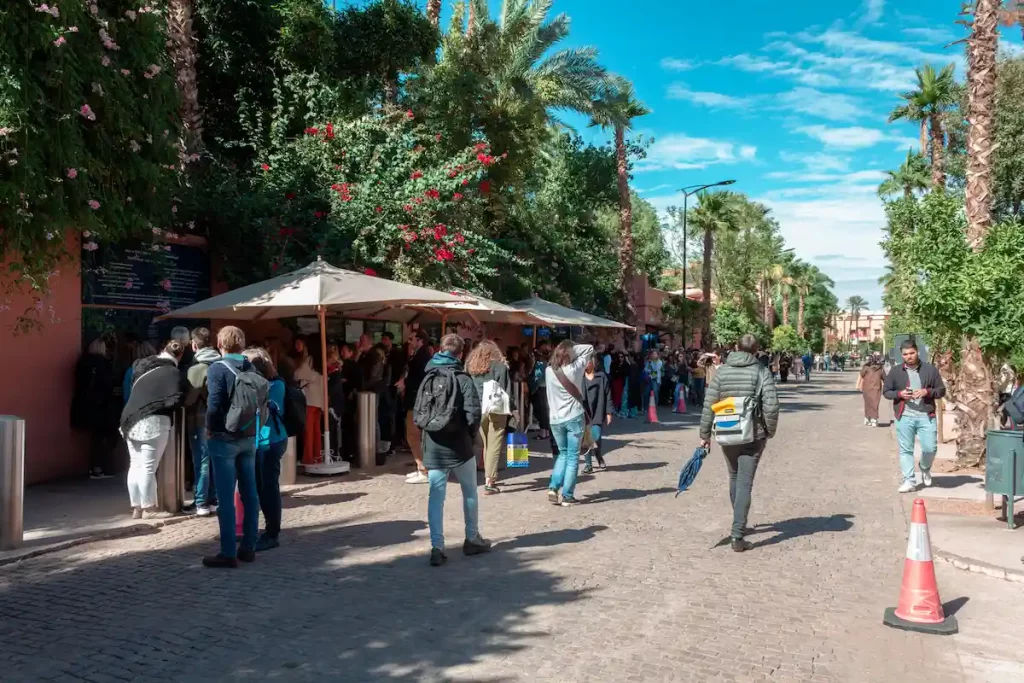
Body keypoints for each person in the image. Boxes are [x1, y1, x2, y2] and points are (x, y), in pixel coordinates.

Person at [699, 334, 780, 553]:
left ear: (737, 348)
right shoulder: (761, 371)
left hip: (727, 431)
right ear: (756, 350)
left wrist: (704, 434)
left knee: (734, 476)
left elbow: (709, 403)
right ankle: (738, 533)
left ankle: (739, 520)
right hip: (753, 434)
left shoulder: (722, 371)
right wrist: (769, 431)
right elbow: (771, 406)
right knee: (744, 482)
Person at [418, 334, 490, 566]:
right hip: (460, 446)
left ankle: (437, 546)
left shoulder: (428, 375)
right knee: (469, 491)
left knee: (435, 497)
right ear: (460, 354)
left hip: (434, 445)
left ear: (440, 350)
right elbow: (473, 415)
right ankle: (471, 538)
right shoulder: (463, 379)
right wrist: (469, 438)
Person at [203, 326, 262, 568]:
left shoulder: (217, 368)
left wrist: (209, 428)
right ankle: (249, 546)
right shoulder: (251, 366)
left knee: (226, 497)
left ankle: (228, 552)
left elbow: (215, 403)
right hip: (248, 435)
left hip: (224, 437)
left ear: (220, 343)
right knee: (250, 493)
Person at [120, 340, 186, 519]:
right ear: (180, 355)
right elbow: (175, 399)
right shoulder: (172, 372)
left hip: (129, 419)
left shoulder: (142, 366)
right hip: (154, 421)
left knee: (135, 464)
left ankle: (137, 508)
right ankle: (148, 509)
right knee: (148, 467)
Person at [883, 340, 946, 493]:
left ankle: (924, 467)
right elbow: (886, 392)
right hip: (904, 416)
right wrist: (900, 394)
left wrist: (927, 392)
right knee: (906, 450)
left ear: (917, 352)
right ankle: (909, 480)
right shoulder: (896, 371)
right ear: (901, 355)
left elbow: (941, 390)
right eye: (905, 354)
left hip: (926, 415)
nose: (909, 357)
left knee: (930, 448)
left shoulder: (930, 370)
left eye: (911, 353)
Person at [243, 347, 288, 551]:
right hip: (257, 442)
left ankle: (272, 533)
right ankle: (259, 529)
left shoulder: (276, 385)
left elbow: (268, 412)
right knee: (259, 487)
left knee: (268, 487)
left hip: (271, 441)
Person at [545, 340, 595, 506]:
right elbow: (589, 347)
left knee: (563, 454)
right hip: (574, 417)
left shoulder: (548, 371)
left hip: (555, 419)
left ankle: (553, 487)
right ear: (570, 353)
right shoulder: (576, 368)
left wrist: (562, 348)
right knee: (573, 457)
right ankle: (567, 496)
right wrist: (571, 348)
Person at [466, 340, 515, 494]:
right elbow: (507, 391)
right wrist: (514, 410)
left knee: (484, 443)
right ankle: (490, 481)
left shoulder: (471, 367)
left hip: (478, 408)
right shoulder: (500, 367)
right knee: (494, 444)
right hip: (496, 408)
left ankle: (484, 475)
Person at [185, 328, 221, 516]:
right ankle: (213, 500)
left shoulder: (197, 368)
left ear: (194, 344)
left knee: (202, 460)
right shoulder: (222, 363)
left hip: (201, 419)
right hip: (221, 420)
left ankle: (201, 502)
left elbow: (189, 399)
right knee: (214, 460)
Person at [71, 338, 118, 479]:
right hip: (102, 406)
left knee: (96, 438)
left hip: (84, 404)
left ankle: (95, 468)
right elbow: (107, 384)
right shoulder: (103, 364)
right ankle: (98, 468)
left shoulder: (82, 363)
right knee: (102, 438)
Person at [402, 330, 432, 483]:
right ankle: (420, 466)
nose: (409, 341)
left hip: (416, 402)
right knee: (415, 435)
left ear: (420, 340)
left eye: (411, 338)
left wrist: (404, 383)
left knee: (413, 435)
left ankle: (423, 469)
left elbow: (418, 380)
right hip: (416, 400)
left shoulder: (422, 357)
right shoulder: (420, 354)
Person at [292, 336, 324, 465]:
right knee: (316, 430)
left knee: (309, 430)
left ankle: (308, 458)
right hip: (319, 399)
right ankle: (317, 456)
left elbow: (297, 374)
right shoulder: (321, 359)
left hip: (310, 399)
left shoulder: (309, 360)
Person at [582, 355, 612, 473]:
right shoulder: (579, 377)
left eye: (587, 362)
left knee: (596, 436)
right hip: (584, 412)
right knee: (586, 439)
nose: (585, 364)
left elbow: (608, 394)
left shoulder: (601, 377)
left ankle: (599, 456)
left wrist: (609, 412)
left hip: (598, 411)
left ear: (593, 363)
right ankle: (588, 465)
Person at [529, 340, 552, 440]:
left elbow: (537, 377)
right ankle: (546, 432)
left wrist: (532, 386)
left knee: (541, 411)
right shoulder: (546, 362)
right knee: (545, 411)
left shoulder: (540, 363)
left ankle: (543, 432)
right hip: (546, 388)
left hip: (540, 389)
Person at [859, 355, 886, 428]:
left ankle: (867, 419)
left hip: (866, 388)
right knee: (875, 404)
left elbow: (861, 374)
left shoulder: (866, 368)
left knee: (867, 403)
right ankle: (874, 420)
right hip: (876, 388)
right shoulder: (881, 369)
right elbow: (885, 378)